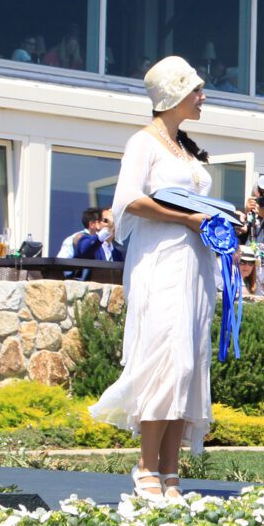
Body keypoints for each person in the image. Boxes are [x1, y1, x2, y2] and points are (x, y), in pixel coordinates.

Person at [89, 55, 223, 502]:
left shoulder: (185, 148)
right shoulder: (142, 143)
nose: (203, 98)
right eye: (196, 91)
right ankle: (146, 466)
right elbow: (127, 200)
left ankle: (170, 471)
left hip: (196, 266)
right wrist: (183, 220)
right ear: (175, 95)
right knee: (165, 360)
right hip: (162, 263)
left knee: (187, 364)